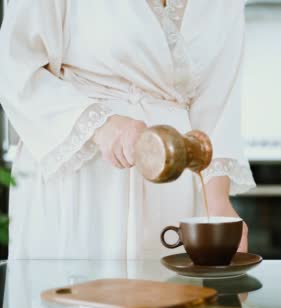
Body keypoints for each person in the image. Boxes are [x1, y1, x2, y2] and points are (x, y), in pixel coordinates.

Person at [0, 0, 255, 259]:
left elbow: (218, 104)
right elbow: (13, 64)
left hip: (172, 183)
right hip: (82, 172)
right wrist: (101, 125)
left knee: (169, 293)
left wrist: (218, 204)